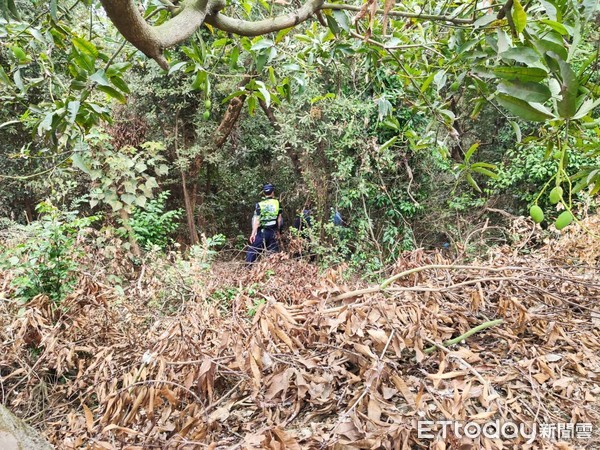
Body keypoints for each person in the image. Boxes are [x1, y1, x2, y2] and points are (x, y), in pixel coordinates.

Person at [246, 183, 283, 264]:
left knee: (253, 250)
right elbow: (279, 219)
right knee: (273, 253)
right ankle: (272, 269)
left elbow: (257, 220)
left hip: (262, 232)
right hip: (273, 231)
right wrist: (279, 231)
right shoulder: (277, 203)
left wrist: (253, 233)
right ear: (273, 192)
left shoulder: (259, 205)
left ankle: (247, 268)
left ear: (263, 193)